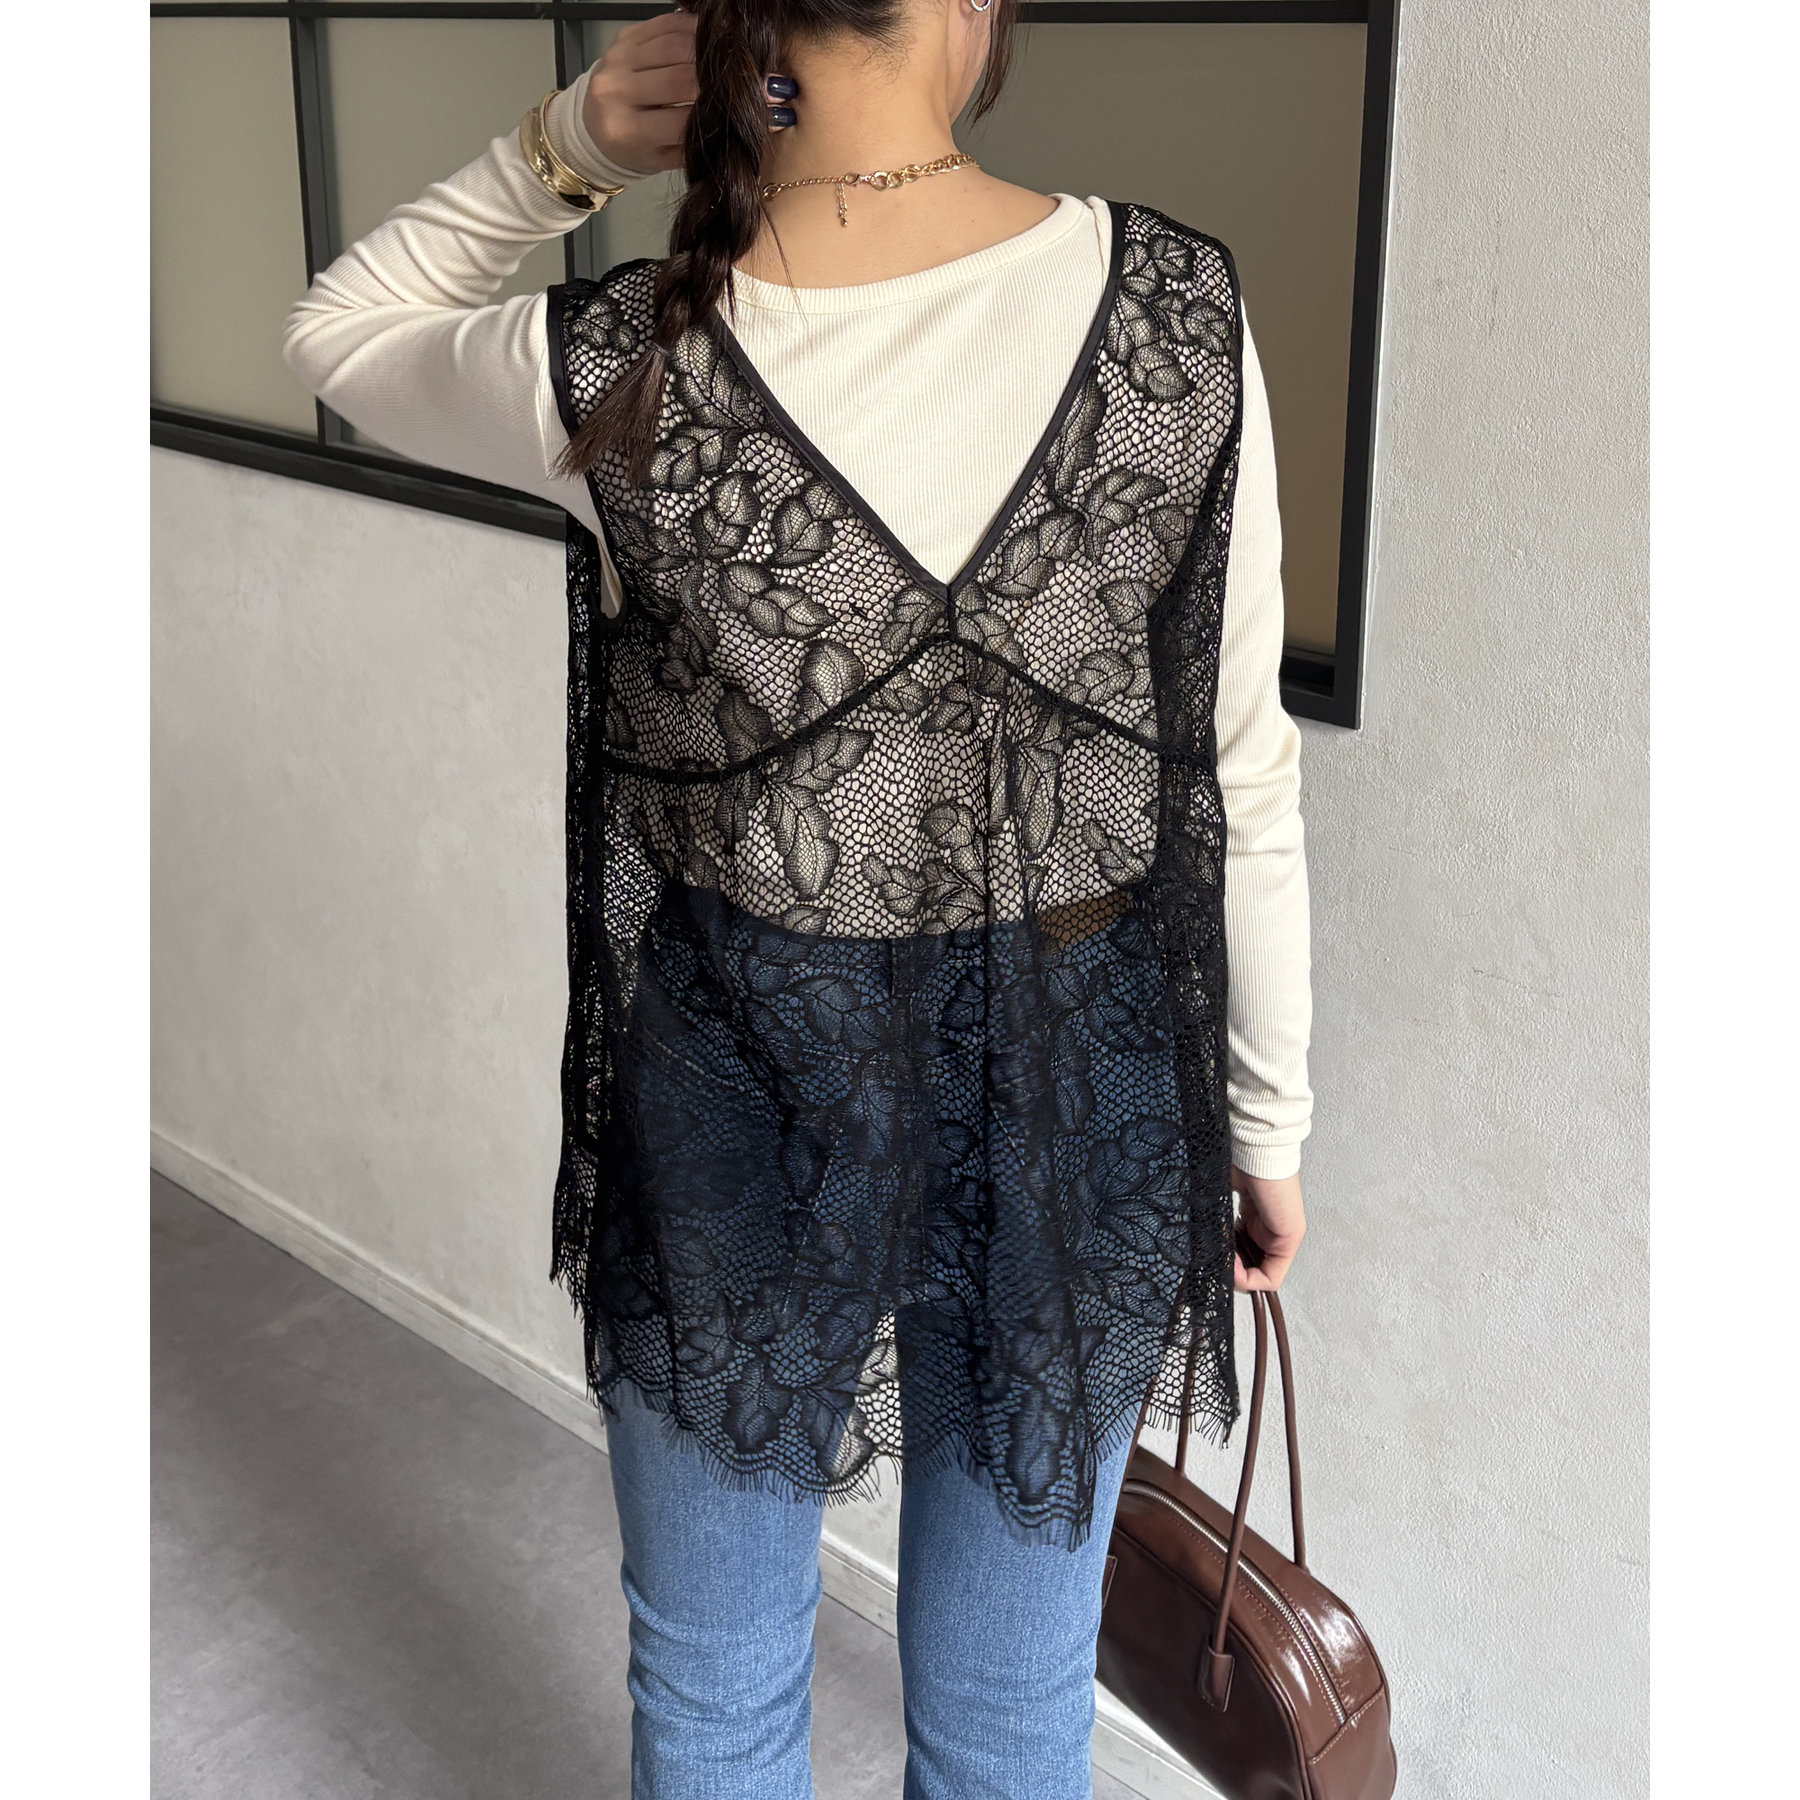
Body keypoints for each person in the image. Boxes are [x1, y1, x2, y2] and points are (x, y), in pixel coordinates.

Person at [284, 3, 1310, 1795]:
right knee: (1014, 1713)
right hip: (1076, 1070)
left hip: (739, 1066)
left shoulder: (622, 356)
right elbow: (1237, 768)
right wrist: (1268, 1120)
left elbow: (338, 334)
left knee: (716, 1694)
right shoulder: (1176, 311)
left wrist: (567, 146)